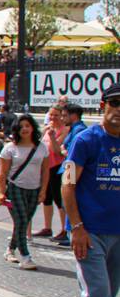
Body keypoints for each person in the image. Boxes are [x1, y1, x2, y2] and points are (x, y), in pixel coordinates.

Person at [61, 83, 120, 297]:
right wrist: (77, 228)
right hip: (90, 232)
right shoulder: (84, 140)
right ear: (103, 105)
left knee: (108, 296)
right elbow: (68, 184)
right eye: (116, 102)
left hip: (118, 232)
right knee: (97, 293)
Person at [0, 113, 49, 270]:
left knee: (22, 223)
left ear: (33, 128)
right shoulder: (9, 148)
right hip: (15, 187)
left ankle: (10, 250)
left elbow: (45, 171)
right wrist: (0, 192)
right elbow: (2, 174)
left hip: (34, 189)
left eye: (28, 126)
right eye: (21, 126)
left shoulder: (41, 147)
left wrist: (43, 190)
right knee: (22, 221)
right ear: (16, 130)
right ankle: (25, 257)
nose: (25, 129)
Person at [54, 102, 88, 245]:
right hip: (67, 168)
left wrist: (64, 151)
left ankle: (71, 232)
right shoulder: (74, 129)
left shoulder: (80, 131)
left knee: (68, 201)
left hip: (71, 170)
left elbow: (72, 153)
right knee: (63, 202)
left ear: (73, 116)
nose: (62, 119)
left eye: (64, 116)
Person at [34, 106, 68, 239]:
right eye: (51, 115)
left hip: (57, 167)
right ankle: (47, 228)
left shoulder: (65, 130)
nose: (53, 118)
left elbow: (57, 150)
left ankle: (64, 230)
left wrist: (53, 136)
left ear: (62, 116)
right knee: (46, 198)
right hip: (45, 167)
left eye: (56, 115)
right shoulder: (47, 128)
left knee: (59, 199)